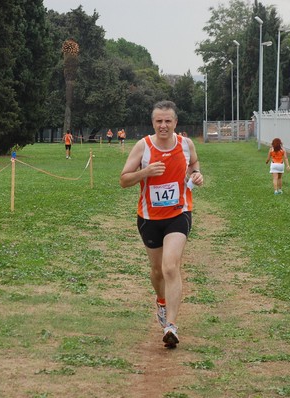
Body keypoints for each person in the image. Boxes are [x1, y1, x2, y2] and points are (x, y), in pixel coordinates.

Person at [119, 100, 203, 349]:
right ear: (153, 122)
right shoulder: (142, 147)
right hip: (149, 218)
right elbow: (124, 180)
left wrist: (196, 174)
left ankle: (171, 326)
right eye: (159, 121)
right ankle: (161, 301)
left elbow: (194, 164)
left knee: (170, 267)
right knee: (157, 271)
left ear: (176, 123)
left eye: (168, 121)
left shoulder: (186, 144)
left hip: (179, 213)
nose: (163, 125)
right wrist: (145, 172)